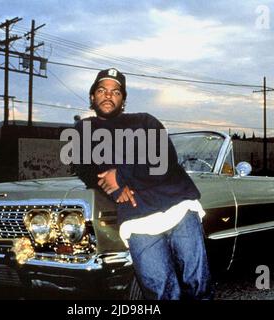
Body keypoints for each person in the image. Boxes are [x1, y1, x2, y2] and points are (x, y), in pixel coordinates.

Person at [73, 68, 212, 300]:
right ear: (92, 97)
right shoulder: (83, 131)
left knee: (197, 284)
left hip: (178, 205)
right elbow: (87, 170)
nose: (108, 96)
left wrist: (120, 175)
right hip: (137, 217)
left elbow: (163, 159)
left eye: (116, 92)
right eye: (101, 90)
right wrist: (113, 184)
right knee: (161, 292)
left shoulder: (144, 120)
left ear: (123, 100)